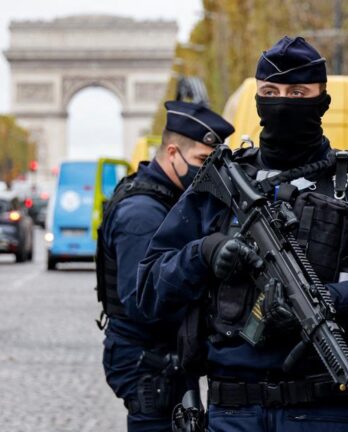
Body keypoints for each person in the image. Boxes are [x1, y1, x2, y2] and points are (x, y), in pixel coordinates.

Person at [135, 35, 348, 432]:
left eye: (297, 93)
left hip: (323, 410)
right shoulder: (222, 184)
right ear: (258, 99)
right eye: (270, 92)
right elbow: (147, 290)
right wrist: (204, 253)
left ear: (322, 101)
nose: (282, 102)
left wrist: (329, 299)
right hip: (232, 412)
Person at [97, 100, 234, 432]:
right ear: (173, 152)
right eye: (202, 161)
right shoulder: (143, 214)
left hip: (160, 355)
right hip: (149, 360)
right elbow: (141, 300)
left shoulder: (166, 198)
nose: (208, 172)